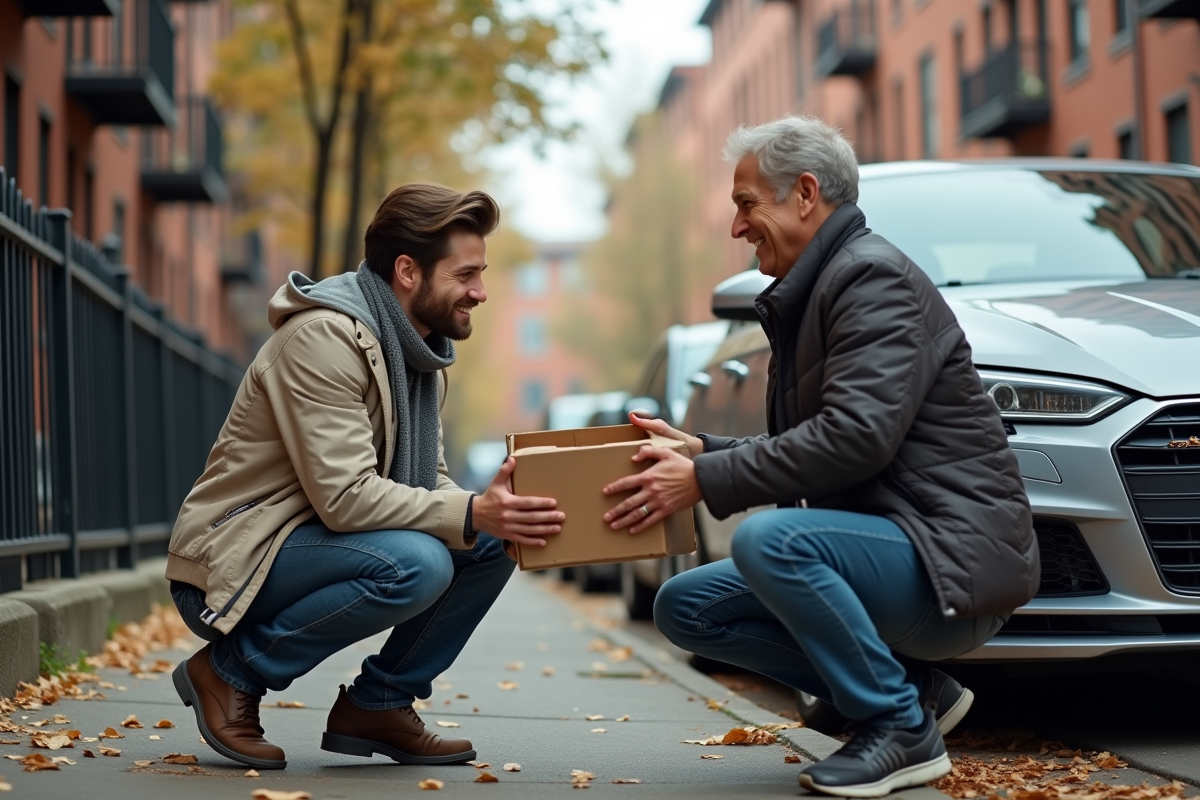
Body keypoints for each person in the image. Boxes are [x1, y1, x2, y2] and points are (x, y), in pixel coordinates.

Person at [602, 116, 1039, 798]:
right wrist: (705, 451)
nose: (737, 226)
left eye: (747, 204)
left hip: (946, 563)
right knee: (686, 608)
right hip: (899, 547)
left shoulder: (870, 279)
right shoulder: (820, 288)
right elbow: (823, 438)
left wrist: (705, 478)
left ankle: (899, 728)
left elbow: (856, 438)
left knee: (771, 540)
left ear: (805, 194)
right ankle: (917, 692)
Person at [165, 184, 564, 771]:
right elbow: (345, 499)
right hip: (234, 562)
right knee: (419, 563)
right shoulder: (324, 338)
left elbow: (431, 486)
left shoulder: (417, 357)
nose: (480, 292)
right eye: (467, 274)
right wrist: (472, 512)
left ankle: (379, 703)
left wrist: (495, 510)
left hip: (308, 547)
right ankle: (226, 673)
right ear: (407, 271)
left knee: (492, 541)